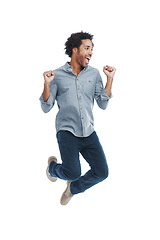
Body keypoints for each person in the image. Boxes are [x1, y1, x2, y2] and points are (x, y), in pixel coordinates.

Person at [39, 31, 116, 205]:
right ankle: (52, 169)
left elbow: (103, 104)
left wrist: (109, 79)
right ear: (75, 50)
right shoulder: (57, 75)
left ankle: (72, 189)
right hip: (67, 131)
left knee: (102, 172)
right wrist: (47, 84)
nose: (91, 52)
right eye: (87, 48)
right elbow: (46, 107)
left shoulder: (94, 74)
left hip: (88, 131)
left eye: (92, 49)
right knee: (72, 172)